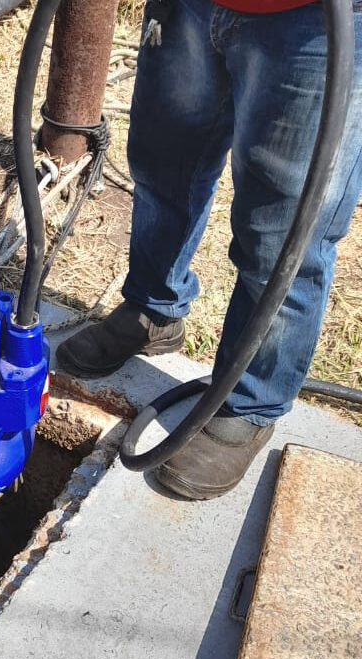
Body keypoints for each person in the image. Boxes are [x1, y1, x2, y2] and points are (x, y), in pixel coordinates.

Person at [56, 0, 362, 499]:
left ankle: (251, 401)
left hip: (315, 22)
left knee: (283, 232)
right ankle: (154, 309)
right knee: (164, 170)